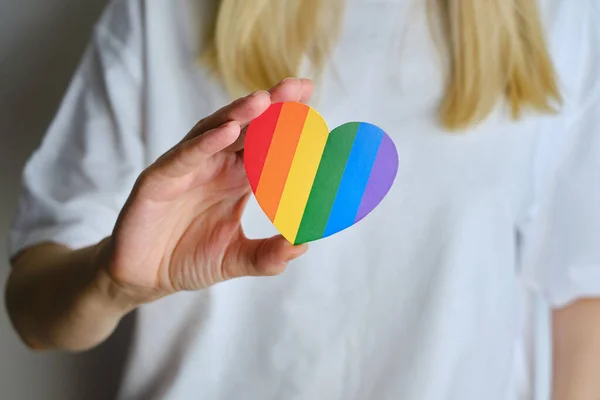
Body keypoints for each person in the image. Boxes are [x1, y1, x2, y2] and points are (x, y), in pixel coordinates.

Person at [4, 0, 600, 398]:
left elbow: (582, 296)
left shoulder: (563, 16)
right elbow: (32, 312)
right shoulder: (163, 12)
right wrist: (115, 282)